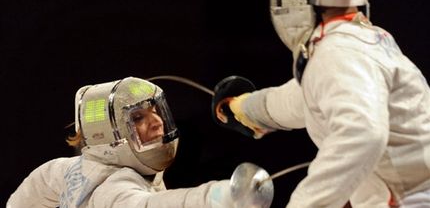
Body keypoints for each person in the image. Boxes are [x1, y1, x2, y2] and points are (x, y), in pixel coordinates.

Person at [214, 0, 430, 207]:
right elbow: (307, 97)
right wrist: (247, 109)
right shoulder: (359, 41)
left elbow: (362, 133)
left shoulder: (339, 52)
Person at [7, 76, 274, 208]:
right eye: (137, 117)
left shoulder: (68, 171)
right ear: (108, 135)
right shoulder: (112, 188)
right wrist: (225, 195)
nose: (157, 121)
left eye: (155, 110)